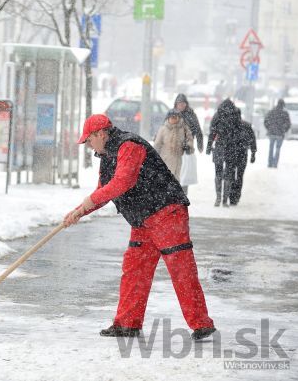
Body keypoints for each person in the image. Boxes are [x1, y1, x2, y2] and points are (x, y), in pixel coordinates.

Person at [63, 114, 215, 340]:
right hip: (143, 219)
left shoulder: (129, 146)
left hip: (166, 212)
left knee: (180, 269)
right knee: (134, 269)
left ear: (101, 133)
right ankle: (127, 324)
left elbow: (122, 182)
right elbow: (103, 192)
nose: (88, 145)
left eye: (89, 140)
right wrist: (78, 212)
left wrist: (88, 202)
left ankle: (201, 324)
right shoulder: (107, 155)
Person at [206, 99, 241, 207]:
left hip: (219, 146)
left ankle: (218, 198)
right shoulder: (235, 115)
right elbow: (239, 131)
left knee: (218, 173)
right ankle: (225, 200)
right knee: (229, 174)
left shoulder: (218, 115)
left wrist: (209, 146)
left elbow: (212, 131)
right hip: (231, 147)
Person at [173, 94, 203, 194]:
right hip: (174, 147)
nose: (181, 106)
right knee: (175, 170)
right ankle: (175, 192)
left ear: (186, 104)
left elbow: (198, 129)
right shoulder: (172, 114)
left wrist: (200, 143)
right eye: (179, 104)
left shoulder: (191, 114)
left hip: (186, 147)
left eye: (183, 104)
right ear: (176, 104)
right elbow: (165, 129)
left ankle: (184, 192)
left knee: (185, 171)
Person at [154, 110, 194, 183]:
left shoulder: (183, 128)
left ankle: (175, 192)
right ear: (168, 118)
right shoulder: (163, 129)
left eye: (175, 118)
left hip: (178, 157)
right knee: (165, 177)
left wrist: (188, 146)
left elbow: (190, 138)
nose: (173, 119)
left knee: (176, 177)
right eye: (172, 118)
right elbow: (157, 143)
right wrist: (155, 155)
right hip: (165, 157)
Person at [228, 108, 256, 206]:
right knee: (238, 176)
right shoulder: (245, 125)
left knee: (233, 175)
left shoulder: (230, 125)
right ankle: (235, 196)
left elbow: (252, 140)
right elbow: (253, 140)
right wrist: (253, 153)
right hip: (240, 154)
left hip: (233, 154)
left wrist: (253, 153)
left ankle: (232, 195)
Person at [264, 99, 291, 168]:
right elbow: (288, 123)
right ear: (283, 105)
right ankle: (275, 164)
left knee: (271, 148)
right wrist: (284, 130)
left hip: (272, 133)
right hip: (280, 134)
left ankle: (270, 163)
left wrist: (269, 128)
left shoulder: (272, 111)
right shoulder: (285, 113)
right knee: (278, 149)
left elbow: (266, 121)